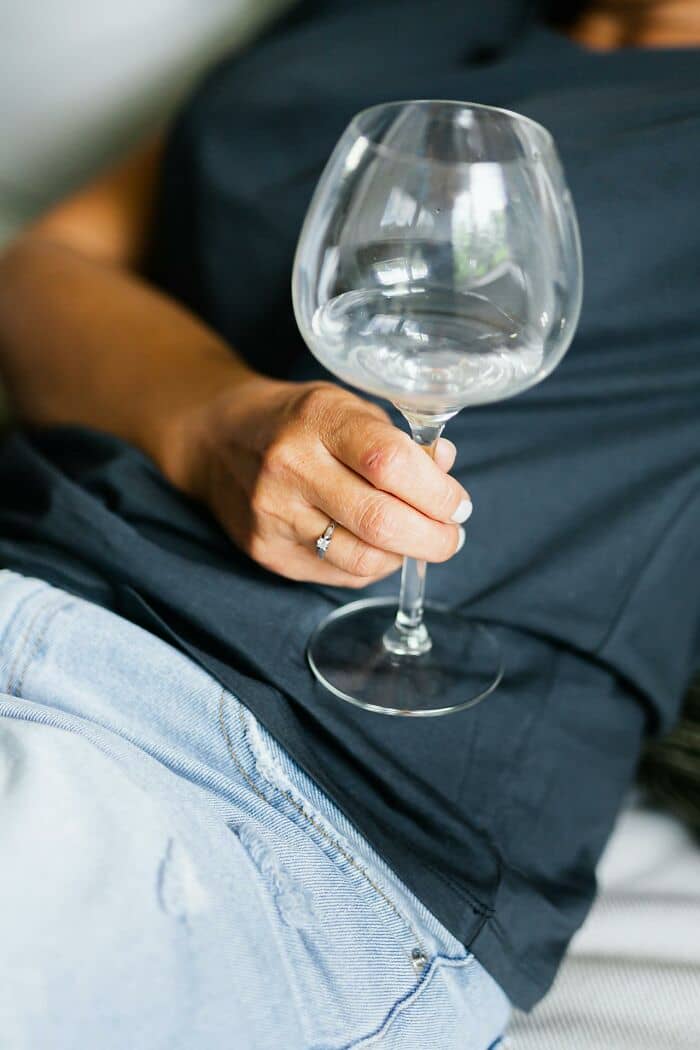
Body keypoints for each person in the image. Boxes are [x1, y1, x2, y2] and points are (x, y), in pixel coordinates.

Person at [0, 1, 698, 1047]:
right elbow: (48, 263)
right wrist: (212, 420)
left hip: (280, 786)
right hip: (32, 564)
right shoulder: (372, 11)